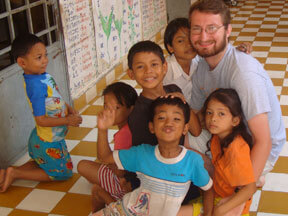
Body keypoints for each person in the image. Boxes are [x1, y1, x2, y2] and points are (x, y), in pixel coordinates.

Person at [188, 0, 286, 187]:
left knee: (230, 194)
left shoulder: (243, 73)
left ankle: (252, 176)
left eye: (211, 28)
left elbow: (264, 141)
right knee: (179, 140)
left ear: (228, 30)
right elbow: (196, 113)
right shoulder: (202, 65)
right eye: (196, 29)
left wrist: (241, 195)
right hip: (228, 133)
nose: (203, 36)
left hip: (255, 145)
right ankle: (220, 173)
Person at [93, 96, 213, 216]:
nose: (168, 123)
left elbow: (207, 189)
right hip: (125, 210)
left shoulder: (192, 161)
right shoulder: (142, 153)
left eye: (176, 119)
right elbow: (105, 157)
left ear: (185, 128)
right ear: (152, 127)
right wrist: (102, 130)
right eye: (161, 117)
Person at [0, 33, 82, 193]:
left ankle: (9, 173)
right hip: (47, 140)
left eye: (45, 55)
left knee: (42, 161)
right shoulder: (35, 87)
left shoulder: (42, 76)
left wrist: (68, 108)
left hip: (48, 137)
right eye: (39, 57)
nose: (45, 60)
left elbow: (55, 96)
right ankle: (15, 172)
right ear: (22, 62)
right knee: (64, 173)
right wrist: (67, 121)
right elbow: (41, 120)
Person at [163, 17, 252, 155]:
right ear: (170, 47)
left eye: (190, 38)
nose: (188, 44)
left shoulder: (199, 60)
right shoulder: (165, 70)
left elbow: (218, 54)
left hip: (200, 114)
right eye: (181, 41)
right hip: (181, 123)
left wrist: (236, 50)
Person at [126, 40, 202, 202]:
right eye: (140, 67)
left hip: (177, 165)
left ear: (164, 67)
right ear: (131, 74)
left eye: (154, 64)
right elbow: (147, 160)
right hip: (155, 178)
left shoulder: (174, 90)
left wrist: (184, 104)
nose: (148, 71)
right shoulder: (139, 114)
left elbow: (196, 130)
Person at [181, 89, 256, 216]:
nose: (213, 119)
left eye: (221, 114)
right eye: (209, 113)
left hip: (230, 206)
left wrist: (220, 210)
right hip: (216, 196)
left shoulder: (236, 148)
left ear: (235, 121)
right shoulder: (218, 137)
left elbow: (250, 188)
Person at [77, 82, 139, 212]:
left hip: (127, 185)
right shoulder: (132, 127)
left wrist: (102, 130)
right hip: (134, 181)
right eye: (106, 106)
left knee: (83, 168)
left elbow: (119, 172)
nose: (109, 112)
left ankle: (116, 208)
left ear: (131, 109)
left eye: (116, 107)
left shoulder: (124, 134)